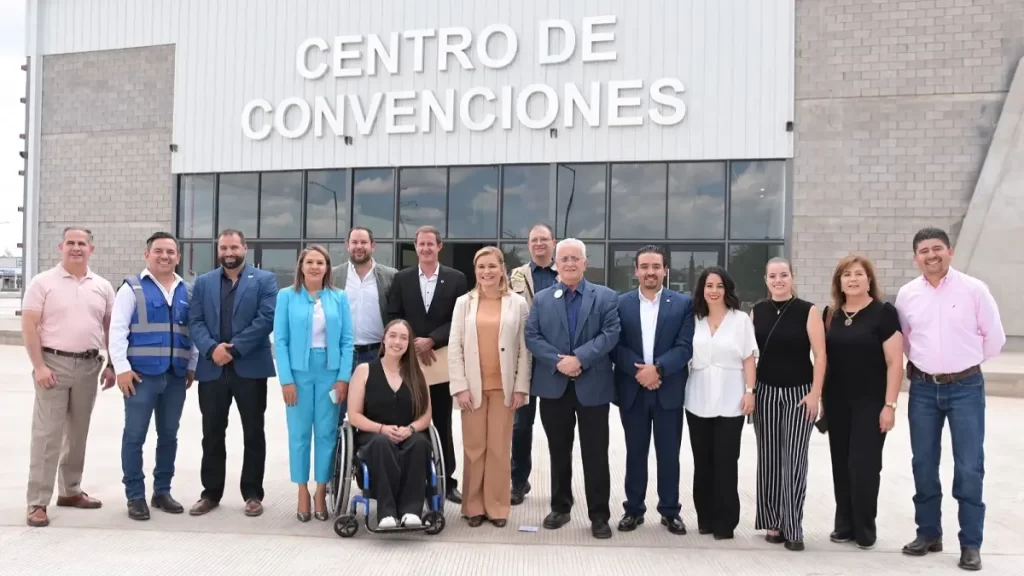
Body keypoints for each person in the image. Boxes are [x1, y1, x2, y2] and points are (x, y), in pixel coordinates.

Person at [896, 227, 1005, 572]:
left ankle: (970, 543)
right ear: (916, 257)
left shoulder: (974, 289)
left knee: (970, 466)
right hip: (924, 389)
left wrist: (963, 364)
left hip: (966, 387)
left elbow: (995, 338)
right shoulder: (907, 295)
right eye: (924, 250)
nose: (931, 255)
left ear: (950, 251)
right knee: (923, 463)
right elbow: (908, 341)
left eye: (937, 248)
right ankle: (928, 533)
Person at [525, 238, 621, 539]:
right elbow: (532, 336)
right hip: (554, 388)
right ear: (556, 263)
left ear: (585, 262)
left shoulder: (606, 297)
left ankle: (599, 515)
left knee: (595, 453)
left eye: (574, 258)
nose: (569, 263)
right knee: (558, 451)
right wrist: (559, 362)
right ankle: (561, 507)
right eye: (563, 258)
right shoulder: (542, 299)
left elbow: (611, 334)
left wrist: (580, 358)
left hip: (592, 387)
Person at [21, 226, 116, 527]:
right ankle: (37, 501)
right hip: (53, 364)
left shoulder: (101, 285)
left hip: (89, 366)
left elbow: (111, 329)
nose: (76, 248)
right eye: (71, 243)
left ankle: (70, 491)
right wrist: (39, 366)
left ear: (92, 249)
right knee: (48, 435)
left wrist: (113, 364)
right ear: (61, 246)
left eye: (82, 243)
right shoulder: (42, 282)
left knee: (77, 433)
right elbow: (29, 326)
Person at [187, 229, 278, 517]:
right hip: (212, 368)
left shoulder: (264, 280)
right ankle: (210, 493)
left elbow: (266, 319)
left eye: (234, 247)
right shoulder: (202, 282)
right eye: (223, 247)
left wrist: (234, 349)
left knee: (253, 432)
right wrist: (212, 348)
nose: (229, 252)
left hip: (249, 368)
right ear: (218, 250)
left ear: (245, 248)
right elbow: (195, 320)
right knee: (211, 433)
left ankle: (252, 494)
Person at [109, 232, 199, 520]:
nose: (165, 256)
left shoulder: (188, 291)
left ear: (178, 257)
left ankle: (162, 491)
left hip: (175, 376)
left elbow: (192, 333)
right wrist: (121, 368)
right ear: (146, 254)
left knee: (169, 436)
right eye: (159, 251)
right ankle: (135, 495)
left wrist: (192, 365)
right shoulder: (132, 288)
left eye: (170, 252)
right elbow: (117, 330)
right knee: (134, 436)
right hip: (140, 378)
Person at [821, 255, 903, 550]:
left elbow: (895, 363)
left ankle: (865, 528)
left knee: (864, 465)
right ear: (839, 282)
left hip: (871, 402)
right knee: (840, 464)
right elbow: (822, 359)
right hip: (836, 401)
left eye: (858, 274)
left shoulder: (883, 313)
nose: (852, 279)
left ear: (869, 280)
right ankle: (844, 524)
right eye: (846, 275)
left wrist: (889, 405)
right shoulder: (829, 315)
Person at [613, 245, 694, 535]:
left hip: (668, 389)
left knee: (668, 454)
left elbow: (685, 347)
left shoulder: (683, 304)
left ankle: (670, 511)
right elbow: (615, 346)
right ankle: (633, 509)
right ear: (635, 270)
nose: (650, 272)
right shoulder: (620, 303)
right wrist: (641, 373)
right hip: (633, 390)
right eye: (644, 266)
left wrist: (657, 370)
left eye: (656, 266)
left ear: (665, 270)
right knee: (635, 452)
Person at [448, 247, 531, 527]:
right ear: (475, 271)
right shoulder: (464, 303)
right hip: (471, 388)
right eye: (481, 267)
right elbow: (455, 347)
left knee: (498, 448)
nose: (486, 272)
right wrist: (459, 387)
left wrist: (521, 387)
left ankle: (497, 508)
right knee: (474, 448)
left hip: (504, 388)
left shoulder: (517, 303)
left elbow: (524, 350)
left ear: (501, 268)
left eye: (492, 266)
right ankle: (473, 507)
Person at [386, 225, 468, 504]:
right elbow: (393, 315)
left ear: (439, 246)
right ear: (415, 247)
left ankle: (447, 481)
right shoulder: (402, 278)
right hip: (409, 362)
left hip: (440, 361)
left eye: (430, 244)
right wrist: (411, 343)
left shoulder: (456, 279)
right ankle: (412, 478)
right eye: (421, 244)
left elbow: (460, 319)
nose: (425, 249)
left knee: (443, 421)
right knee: (409, 420)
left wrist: (432, 339)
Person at [750, 257, 826, 551]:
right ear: (766, 280)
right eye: (772, 276)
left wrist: (815, 394)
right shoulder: (756, 312)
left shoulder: (808, 310)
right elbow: (751, 356)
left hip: (800, 393)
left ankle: (793, 526)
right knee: (768, 459)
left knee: (794, 460)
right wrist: (752, 390)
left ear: (792, 277)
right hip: (766, 392)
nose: (778, 280)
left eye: (783, 275)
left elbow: (820, 355)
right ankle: (772, 522)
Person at [275, 245, 354, 522]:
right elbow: (280, 341)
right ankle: (301, 490)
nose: (314, 267)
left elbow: (347, 341)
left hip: (330, 373)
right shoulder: (286, 296)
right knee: (298, 435)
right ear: (301, 266)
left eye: (320, 262)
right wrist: (286, 380)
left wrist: (343, 377)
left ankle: (321, 489)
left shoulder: (339, 297)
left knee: (325, 434)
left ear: (327, 267)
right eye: (309, 262)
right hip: (297, 373)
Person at [683, 266, 757, 540]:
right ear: (702, 290)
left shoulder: (740, 320)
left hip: (731, 397)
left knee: (726, 461)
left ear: (727, 289)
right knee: (703, 461)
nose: (714, 291)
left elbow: (749, 357)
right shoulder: (693, 319)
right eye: (708, 285)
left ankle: (725, 522)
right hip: (698, 397)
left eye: (719, 286)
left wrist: (750, 391)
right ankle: (706, 518)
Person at [346, 319, 434, 529]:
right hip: (373, 433)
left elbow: (426, 416)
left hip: (408, 432)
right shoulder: (364, 371)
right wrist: (382, 429)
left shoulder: (417, 373)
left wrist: (410, 429)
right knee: (381, 444)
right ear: (383, 339)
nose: (398, 341)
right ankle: (386, 513)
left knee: (420, 444)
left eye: (404, 337)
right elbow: (354, 415)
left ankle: (411, 511)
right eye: (393, 335)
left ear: (409, 343)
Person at [507, 223, 558, 505]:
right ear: (528, 245)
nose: (539, 244)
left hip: (554, 364)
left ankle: (559, 487)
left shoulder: (563, 273)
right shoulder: (516, 275)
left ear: (554, 243)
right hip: (524, 362)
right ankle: (518, 482)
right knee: (521, 427)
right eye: (534, 240)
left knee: (556, 429)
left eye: (544, 239)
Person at [333, 227, 397, 366]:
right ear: (347, 245)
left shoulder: (390, 276)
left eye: (364, 242)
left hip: (378, 353)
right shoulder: (333, 275)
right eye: (354, 242)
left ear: (372, 246)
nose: (359, 246)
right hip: (342, 353)